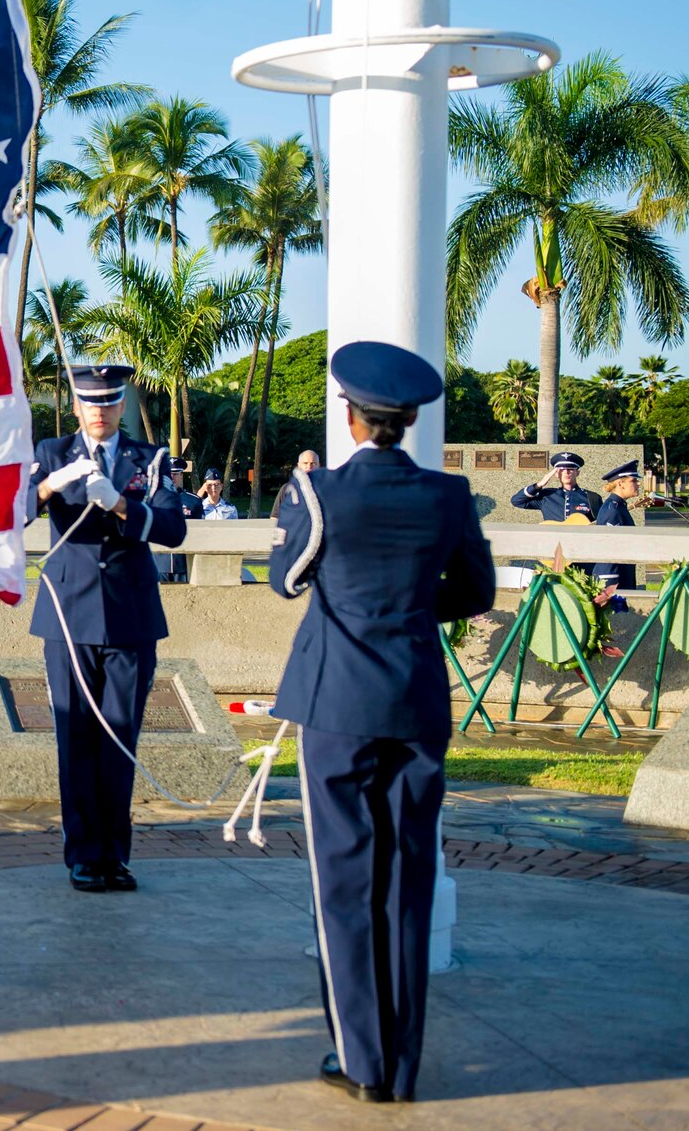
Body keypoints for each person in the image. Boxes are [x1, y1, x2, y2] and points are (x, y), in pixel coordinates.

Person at [268, 340, 495, 1106]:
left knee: (343, 882)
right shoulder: (449, 494)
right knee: (408, 879)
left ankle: (360, 1058)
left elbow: (282, 577)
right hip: (416, 700)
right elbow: (475, 590)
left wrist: (292, 498)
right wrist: (406, 610)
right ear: (407, 419)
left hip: (337, 705)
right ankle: (400, 1066)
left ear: (350, 414)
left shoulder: (320, 491)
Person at [29, 365, 187, 893]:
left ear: (123, 406)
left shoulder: (151, 459)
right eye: (89, 402)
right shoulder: (51, 453)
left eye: (109, 401)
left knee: (120, 738)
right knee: (75, 738)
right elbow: (10, 512)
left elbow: (171, 528)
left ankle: (114, 854)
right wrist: (52, 485)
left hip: (129, 615)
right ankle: (82, 855)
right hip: (69, 614)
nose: (99, 410)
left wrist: (120, 503)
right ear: (76, 406)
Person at [592, 459, 644, 603]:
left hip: (621, 573)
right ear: (620, 483)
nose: (638, 484)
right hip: (613, 577)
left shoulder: (619, 506)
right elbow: (611, 548)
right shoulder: (612, 510)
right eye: (633, 480)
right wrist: (610, 582)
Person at [512, 451, 599, 523]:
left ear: (577, 473)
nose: (566, 472)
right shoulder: (547, 496)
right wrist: (538, 485)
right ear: (556, 474)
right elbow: (517, 501)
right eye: (561, 470)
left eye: (571, 469)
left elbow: (600, 522)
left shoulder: (592, 497)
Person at [161, 460, 202, 582]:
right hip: (160, 561)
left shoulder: (193, 501)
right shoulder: (153, 499)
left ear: (181, 476)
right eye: (169, 474)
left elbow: (200, 531)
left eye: (175, 474)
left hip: (183, 561)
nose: (172, 477)